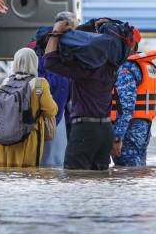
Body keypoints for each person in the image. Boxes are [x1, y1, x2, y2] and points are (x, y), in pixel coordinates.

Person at [44, 15, 118, 170]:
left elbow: (49, 61)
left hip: (85, 130)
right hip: (106, 130)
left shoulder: (84, 70)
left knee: (74, 178)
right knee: (99, 183)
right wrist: (91, 27)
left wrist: (56, 32)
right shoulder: (111, 67)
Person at [0, 48, 58, 168]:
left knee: (5, 176)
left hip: (3, 140)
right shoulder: (39, 84)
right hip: (27, 139)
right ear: (35, 63)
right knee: (27, 178)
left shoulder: (5, 82)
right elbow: (51, 110)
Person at [110, 47, 156, 167]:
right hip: (143, 129)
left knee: (125, 174)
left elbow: (126, 107)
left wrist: (117, 137)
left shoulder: (127, 67)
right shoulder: (146, 65)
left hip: (129, 130)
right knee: (137, 171)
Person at [38, 52, 69, 167]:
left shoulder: (62, 61)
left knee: (52, 159)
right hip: (50, 116)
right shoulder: (61, 64)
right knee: (52, 159)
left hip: (56, 116)